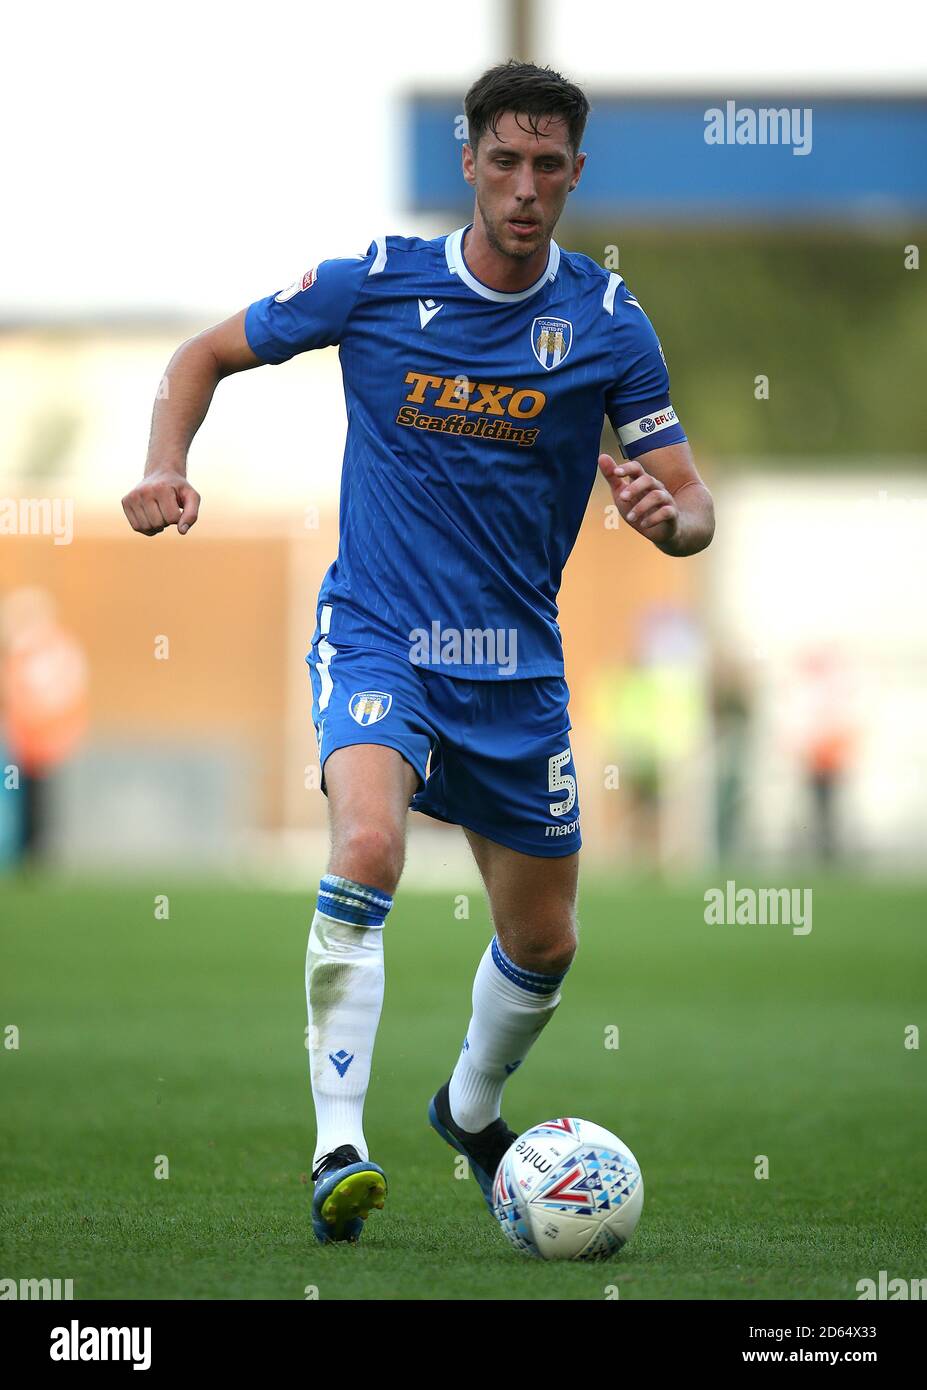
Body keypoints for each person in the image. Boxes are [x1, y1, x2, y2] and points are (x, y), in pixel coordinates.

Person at [122, 60, 715, 1245]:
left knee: (544, 941)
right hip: (381, 636)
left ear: (576, 174)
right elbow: (198, 358)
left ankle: (469, 1105)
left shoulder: (607, 322)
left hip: (517, 669)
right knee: (370, 841)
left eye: (550, 166)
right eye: (505, 161)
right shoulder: (376, 285)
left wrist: (669, 518)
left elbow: (693, 503)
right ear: (470, 163)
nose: (526, 187)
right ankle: (338, 1145)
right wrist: (163, 463)